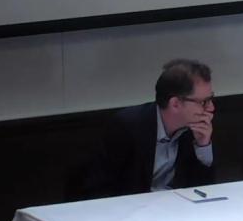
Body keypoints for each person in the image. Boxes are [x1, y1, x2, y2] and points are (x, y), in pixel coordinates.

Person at [81, 59, 216, 198]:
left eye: (211, 99)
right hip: (133, 212)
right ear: (175, 104)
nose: (211, 108)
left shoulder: (199, 127)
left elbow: (203, 192)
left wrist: (203, 146)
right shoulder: (127, 126)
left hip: (177, 211)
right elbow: (100, 188)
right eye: (204, 102)